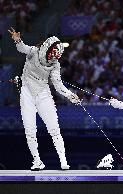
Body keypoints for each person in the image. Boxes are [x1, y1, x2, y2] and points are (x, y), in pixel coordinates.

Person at [8, 27, 81, 170]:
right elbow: (22, 48)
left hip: (43, 94)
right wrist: (18, 41)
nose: (52, 59)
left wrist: (70, 95)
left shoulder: (55, 65)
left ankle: (63, 161)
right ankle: (37, 161)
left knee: (54, 129)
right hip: (27, 94)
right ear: (47, 48)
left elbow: (58, 85)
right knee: (30, 131)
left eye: (55, 57)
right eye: (51, 55)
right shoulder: (34, 52)